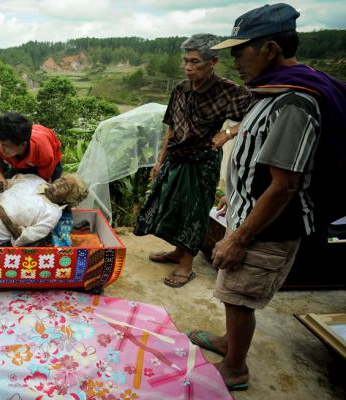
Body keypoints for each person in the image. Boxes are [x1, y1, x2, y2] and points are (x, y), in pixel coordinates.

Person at [186, 3, 346, 391]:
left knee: (240, 295)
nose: (235, 60)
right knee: (232, 289)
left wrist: (240, 236)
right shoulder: (270, 93)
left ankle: (235, 368)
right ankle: (230, 342)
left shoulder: (295, 102)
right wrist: (235, 196)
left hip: (269, 226)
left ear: (270, 49)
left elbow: (286, 183)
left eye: (241, 51)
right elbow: (258, 156)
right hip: (249, 212)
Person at [134, 34, 252, 287]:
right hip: (176, 158)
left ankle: (186, 264)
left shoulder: (229, 91)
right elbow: (171, 128)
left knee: (194, 211)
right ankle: (178, 251)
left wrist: (228, 133)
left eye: (195, 61)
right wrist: (160, 160)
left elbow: (257, 118)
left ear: (213, 62)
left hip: (202, 161)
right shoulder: (181, 89)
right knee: (171, 206)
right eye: (185, 60)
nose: (188, 67)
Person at [0, 112, 63, 190]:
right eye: (0, 143)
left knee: (47, 191)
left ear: (23, 144)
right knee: (10, 187)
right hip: (21, 163)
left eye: (5, 146)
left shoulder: (44, 153)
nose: (0, 148)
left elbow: (45, 181)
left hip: (49, 164)